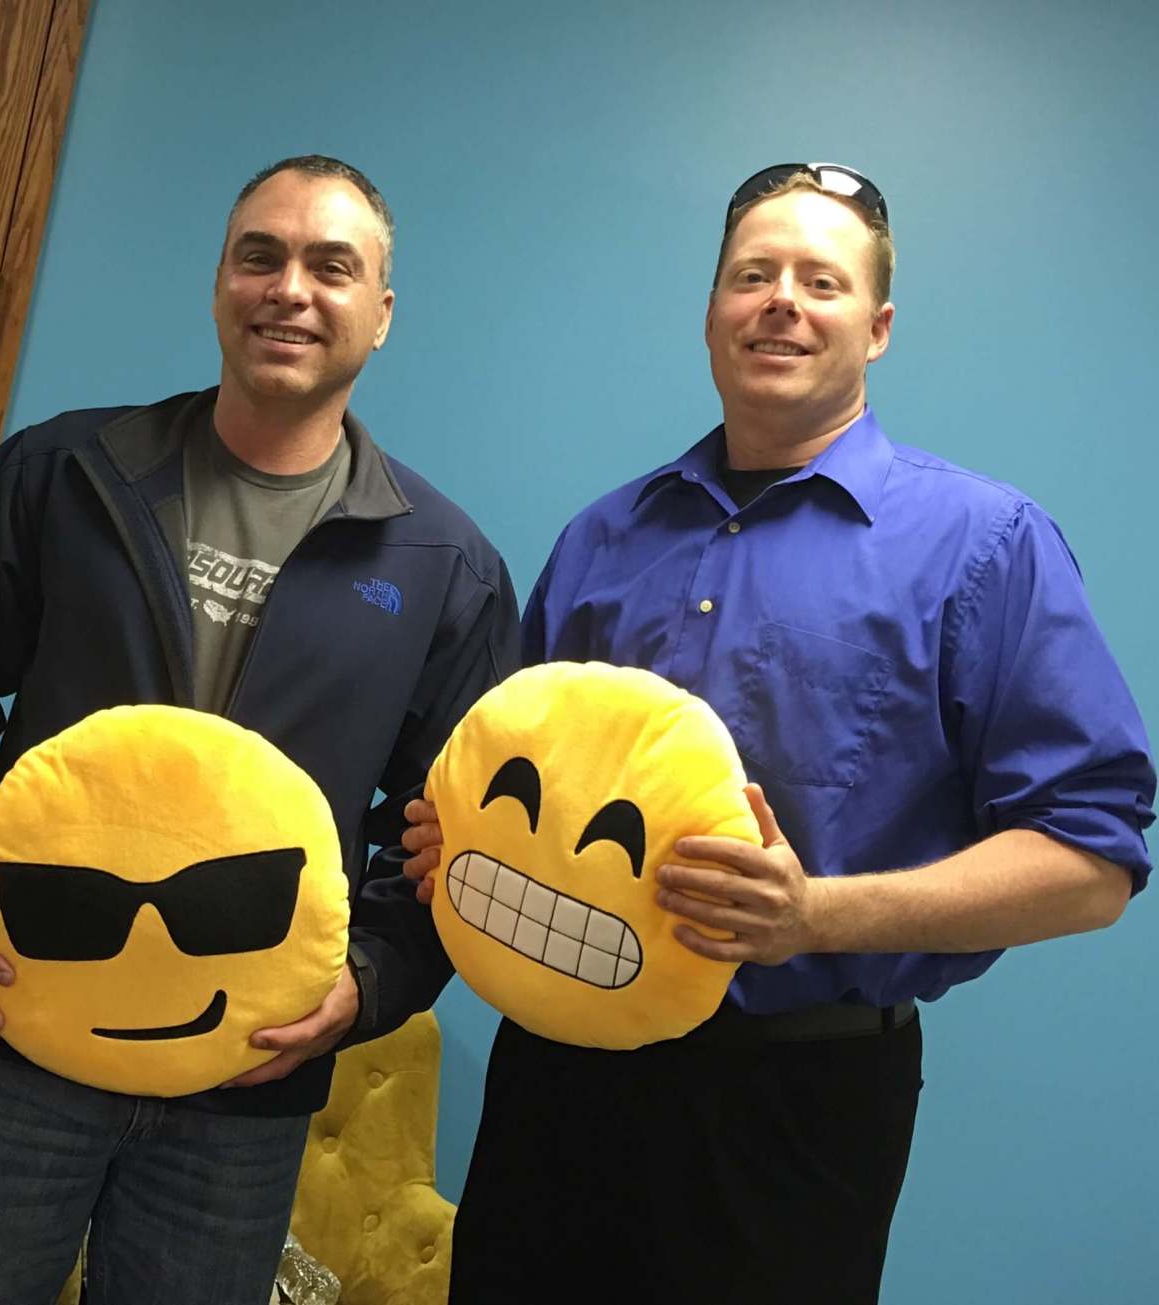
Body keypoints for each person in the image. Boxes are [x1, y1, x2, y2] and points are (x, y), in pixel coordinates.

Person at [403, 162, 1155, 1303]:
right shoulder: (605, 538)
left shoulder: (985, 546)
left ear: (879, 326)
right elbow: (518, 788)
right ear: (713, 310)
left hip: (797, 1111)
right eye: (753, 275)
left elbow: (1093, 863)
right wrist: (452, 852)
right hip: (558, 1083)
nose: (782, 302)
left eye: (822, 280)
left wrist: (816, 918)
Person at [0, 153, 518, 1303]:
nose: (289, 289)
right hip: (22, 1030)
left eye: (332, 266)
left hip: (246, 1085)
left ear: (382, 314)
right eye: (258, 256)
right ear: (220, 280)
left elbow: (448, 839)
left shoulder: (444, 569)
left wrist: (369, 981)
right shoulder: (68, 475)